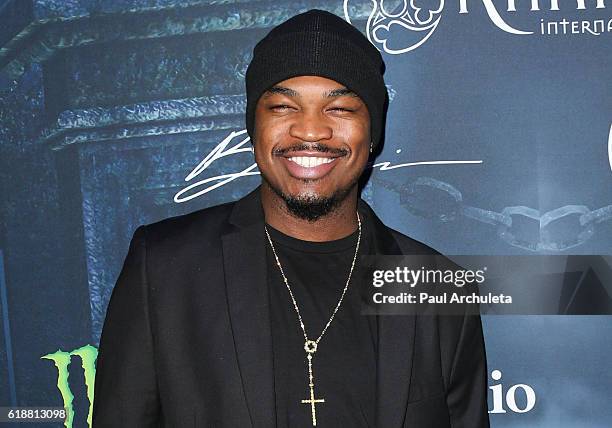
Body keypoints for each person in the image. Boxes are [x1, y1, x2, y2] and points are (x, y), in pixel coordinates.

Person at [92, 9, 489, 428]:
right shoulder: (165, 267)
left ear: (373, 134)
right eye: (283, 106)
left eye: (339, 109)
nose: (311, 131)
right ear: (254, 126)